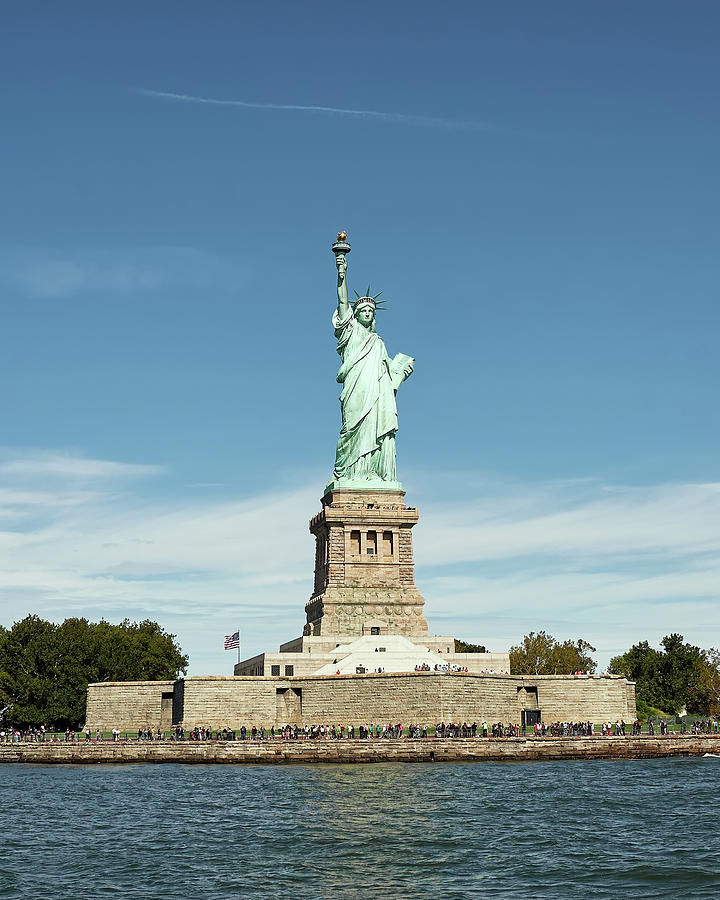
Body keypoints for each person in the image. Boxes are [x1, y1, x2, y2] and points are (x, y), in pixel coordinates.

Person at [330, 249, 413, 483]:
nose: (367, 313)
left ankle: (372, 472)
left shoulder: (378, 342)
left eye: (371, 311)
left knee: (375, 428)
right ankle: (348, 473)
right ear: (355, 315)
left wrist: (400, 373)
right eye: (363, 310)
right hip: (356, 388)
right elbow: (342, 300)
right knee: (351, 429)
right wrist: (341, 272)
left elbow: (388, 377)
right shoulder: (350, 331)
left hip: (377, 394)